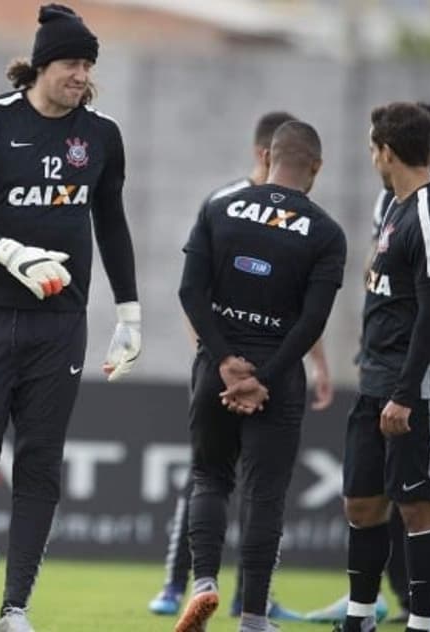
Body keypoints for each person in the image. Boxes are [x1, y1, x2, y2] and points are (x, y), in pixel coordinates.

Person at [0, 5, 140, 631]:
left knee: (41, 461)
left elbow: (112, 224)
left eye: (89, 65)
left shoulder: (101, 135)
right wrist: (6, 250)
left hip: (60, 324)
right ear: (42, 64)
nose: (82, 75)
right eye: (73, 63)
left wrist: (129, 314)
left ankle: (16, 607)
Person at [148, 111, 331, 623]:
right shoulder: (325, 233)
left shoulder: (219, 208)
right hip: (278, 380)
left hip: (215, 372)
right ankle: (252, 616)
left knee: (209, 477)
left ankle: (201, 581)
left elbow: (190, 292)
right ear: (316, 166)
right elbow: (313, 320)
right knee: (265, 494)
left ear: (267, 157)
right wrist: (263, 378)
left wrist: (226, 361)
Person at [305, 101, 430, 628]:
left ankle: (422, 621)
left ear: (386, 151)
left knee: (419, 506)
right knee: (362, 503)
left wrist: (406, 393)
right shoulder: (394, 206)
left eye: (371, 148)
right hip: (373, 380)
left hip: (412, 388)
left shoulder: (429, 210)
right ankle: (360, 614)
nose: (371, 157)